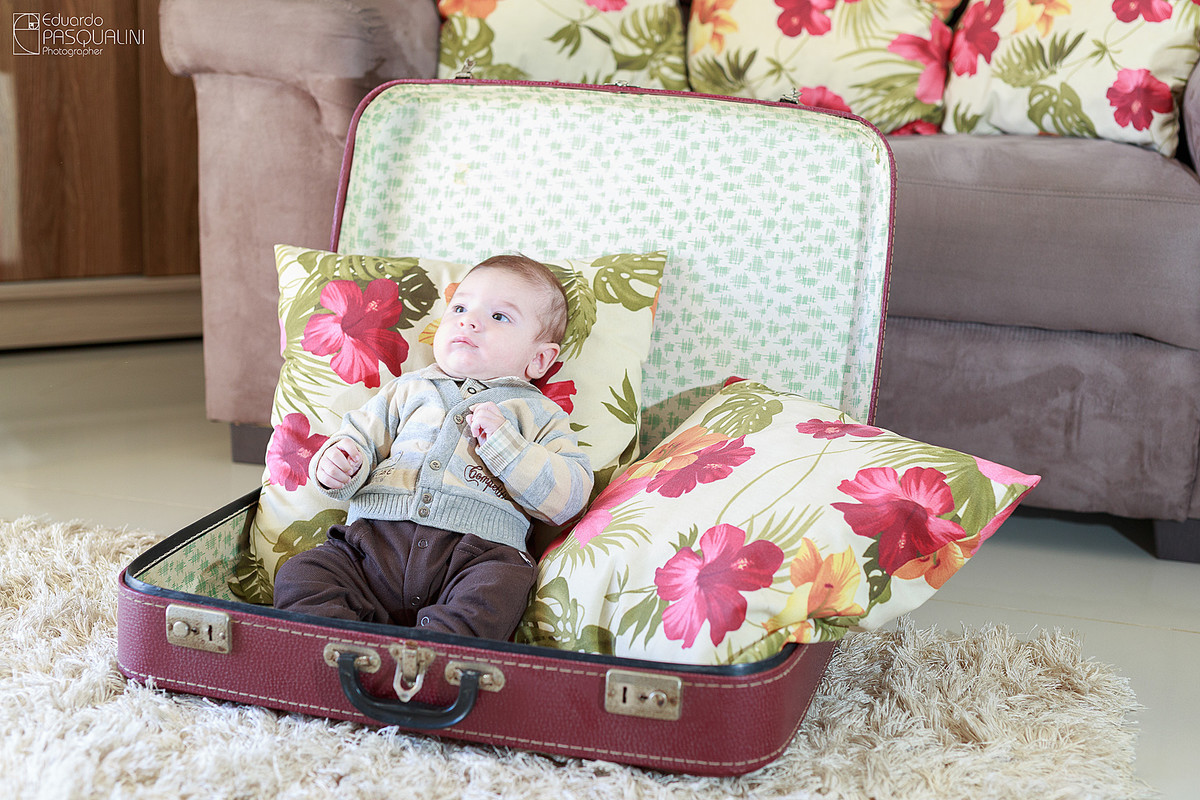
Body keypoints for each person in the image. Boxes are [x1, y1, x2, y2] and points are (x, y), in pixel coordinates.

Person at [273, 255, 594, 640]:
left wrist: (507, 447)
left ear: (539, 359)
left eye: (499, 317)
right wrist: (340, 464)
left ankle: (433, 659)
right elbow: (358, 436)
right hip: (372, 545)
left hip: (477, 555)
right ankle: (347, 650)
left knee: (502, 588)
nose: (469, 321)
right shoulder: (406, 389)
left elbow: (570, 497)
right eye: (460, 307)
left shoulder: (539, 414)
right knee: (300, 575)